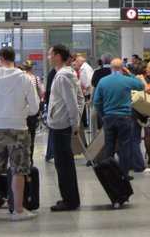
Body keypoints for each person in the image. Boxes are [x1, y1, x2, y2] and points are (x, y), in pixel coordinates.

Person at [0, 46, 40, 222]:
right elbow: (34, 107)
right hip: (19, 128)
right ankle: (18, 210)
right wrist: (21, 112)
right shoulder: (25, 78)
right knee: (19, 170)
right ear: (14, 59)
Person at [47, 44, 85, 212]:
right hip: (62, 123)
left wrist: (74, 123)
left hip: (61, 125)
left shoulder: (63, 76)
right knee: (64, 164)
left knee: (64, 165)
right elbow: (80, 99)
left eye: (50, 54)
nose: (48, 57)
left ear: (58, 56)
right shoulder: (65, 74)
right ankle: (70, 198)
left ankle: (69, 200)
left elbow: (72, 102)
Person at [92, 57, 143, 178]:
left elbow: (97, 101)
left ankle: (110, 173)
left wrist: (103, 115)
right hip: (124, 117)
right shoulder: (126, 80)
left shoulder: (103, 81)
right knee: (124, 146)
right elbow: (141, 86)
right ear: (122, 68)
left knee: (109, 145)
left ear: (111, 68)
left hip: (109, 117)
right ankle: (124, 173)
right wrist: (130, 74)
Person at [23, 60, 44, 165]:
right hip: (32, 111)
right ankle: (30, 158)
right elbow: (41, 92)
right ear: (32, 68)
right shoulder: (36, 79)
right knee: (31, 135)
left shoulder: (20, 79)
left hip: (21, 111)